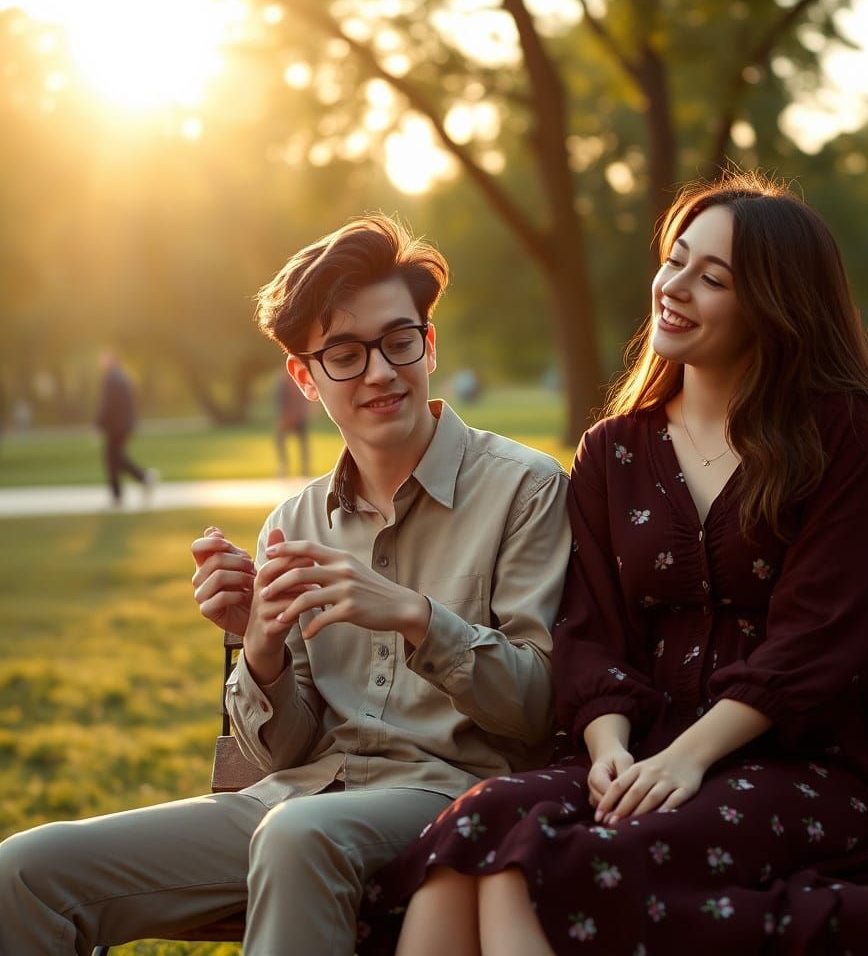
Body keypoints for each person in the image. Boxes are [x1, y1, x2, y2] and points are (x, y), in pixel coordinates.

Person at [356, 172, 868, 956]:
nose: (674, 288)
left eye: (711, 278)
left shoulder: (840, 436)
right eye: (675, 260)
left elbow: (819, 640)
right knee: (472, 830)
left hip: (802, 764)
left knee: (536, 868)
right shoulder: (616, 449)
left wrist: (686, 758)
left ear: (774, 306)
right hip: (638, 755)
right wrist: (609, 749)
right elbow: (590, 630)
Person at [0, 215, 570, 955]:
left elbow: (537, 706)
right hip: (295, 800)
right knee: (25, 872)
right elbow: (280, 756)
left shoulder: (526, 488)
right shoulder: (293, 522)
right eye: (344, 353)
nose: (380, 371)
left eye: (400, 341)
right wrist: (261, 647)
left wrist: (413, 616)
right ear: (304, 377)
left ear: (430, 344)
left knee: (297, 836)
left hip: (449, 795)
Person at [95, 348, 157, 506]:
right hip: (124, 425)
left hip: (116, 426)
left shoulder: (111, 378)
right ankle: (141, 479)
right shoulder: (122, 376)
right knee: (116, 458)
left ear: (112, 360)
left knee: (112, 459)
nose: (101, 362)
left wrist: (99, 423)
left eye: (104, 359)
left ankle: (122, 493)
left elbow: (109, 405)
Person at [274, 366, 312, 476]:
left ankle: (303, 468)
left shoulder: (290, 381)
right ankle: (285, 465)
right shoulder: (284, 382)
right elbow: (281, 401)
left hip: (296, 416)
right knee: (284, 440)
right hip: (290, 416)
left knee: (301, 443)